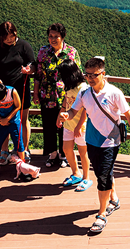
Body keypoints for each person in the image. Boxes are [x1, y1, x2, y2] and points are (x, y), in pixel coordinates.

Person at [65, 56, 130, 235]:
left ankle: (101, 214)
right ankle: (114, 198)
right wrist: (65, 115)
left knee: (103, 176)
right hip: (91, 139)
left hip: (111, 140)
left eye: (94, 75)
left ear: (103, 74)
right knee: (100, 171)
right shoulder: (85, 93)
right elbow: (73, 110)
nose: (90, 78)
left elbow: (129, 115)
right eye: (87, 75)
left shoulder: (115, 93)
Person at [33, 22, 80, 168]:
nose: (53, 39)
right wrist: (35, 93)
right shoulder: (43, 52)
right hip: (46, 95)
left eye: (56, 36)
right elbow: (38, 74)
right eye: (50, 36)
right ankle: (52, 154)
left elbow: (76, 76)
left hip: (65, 96)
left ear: (63, 37)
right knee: (48, 126)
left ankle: (63, 154)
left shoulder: (71, 52)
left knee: (65, 126)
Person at [0, 21, 36, 154]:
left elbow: (33, 65)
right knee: (3, 121)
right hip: (1, 92)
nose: (8, 40)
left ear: (15, 33)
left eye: (11, 37)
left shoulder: (24, 46)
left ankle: (24, 150)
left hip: (21, 88)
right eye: (5, 38)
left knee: (23, 120)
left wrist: (29, 70)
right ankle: (4, 151)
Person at [55, 59, 92, 192]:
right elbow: (66, 101)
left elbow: (86, 110)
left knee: (83, 152)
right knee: (66, 149)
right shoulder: (69, 86)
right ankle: (76, 173)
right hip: (68, 123)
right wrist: (60, 115)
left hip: (81, 125)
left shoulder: (83, 88)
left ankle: (86, 177)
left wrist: (79, 126)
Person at [0, 81, 25, 181]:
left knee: (19, 143)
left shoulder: (12, 92)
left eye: (2, 100)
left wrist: (7, 119)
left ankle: (23, 168)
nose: (0, 102)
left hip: (13, 120)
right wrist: (0, 119)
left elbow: (18, 106)